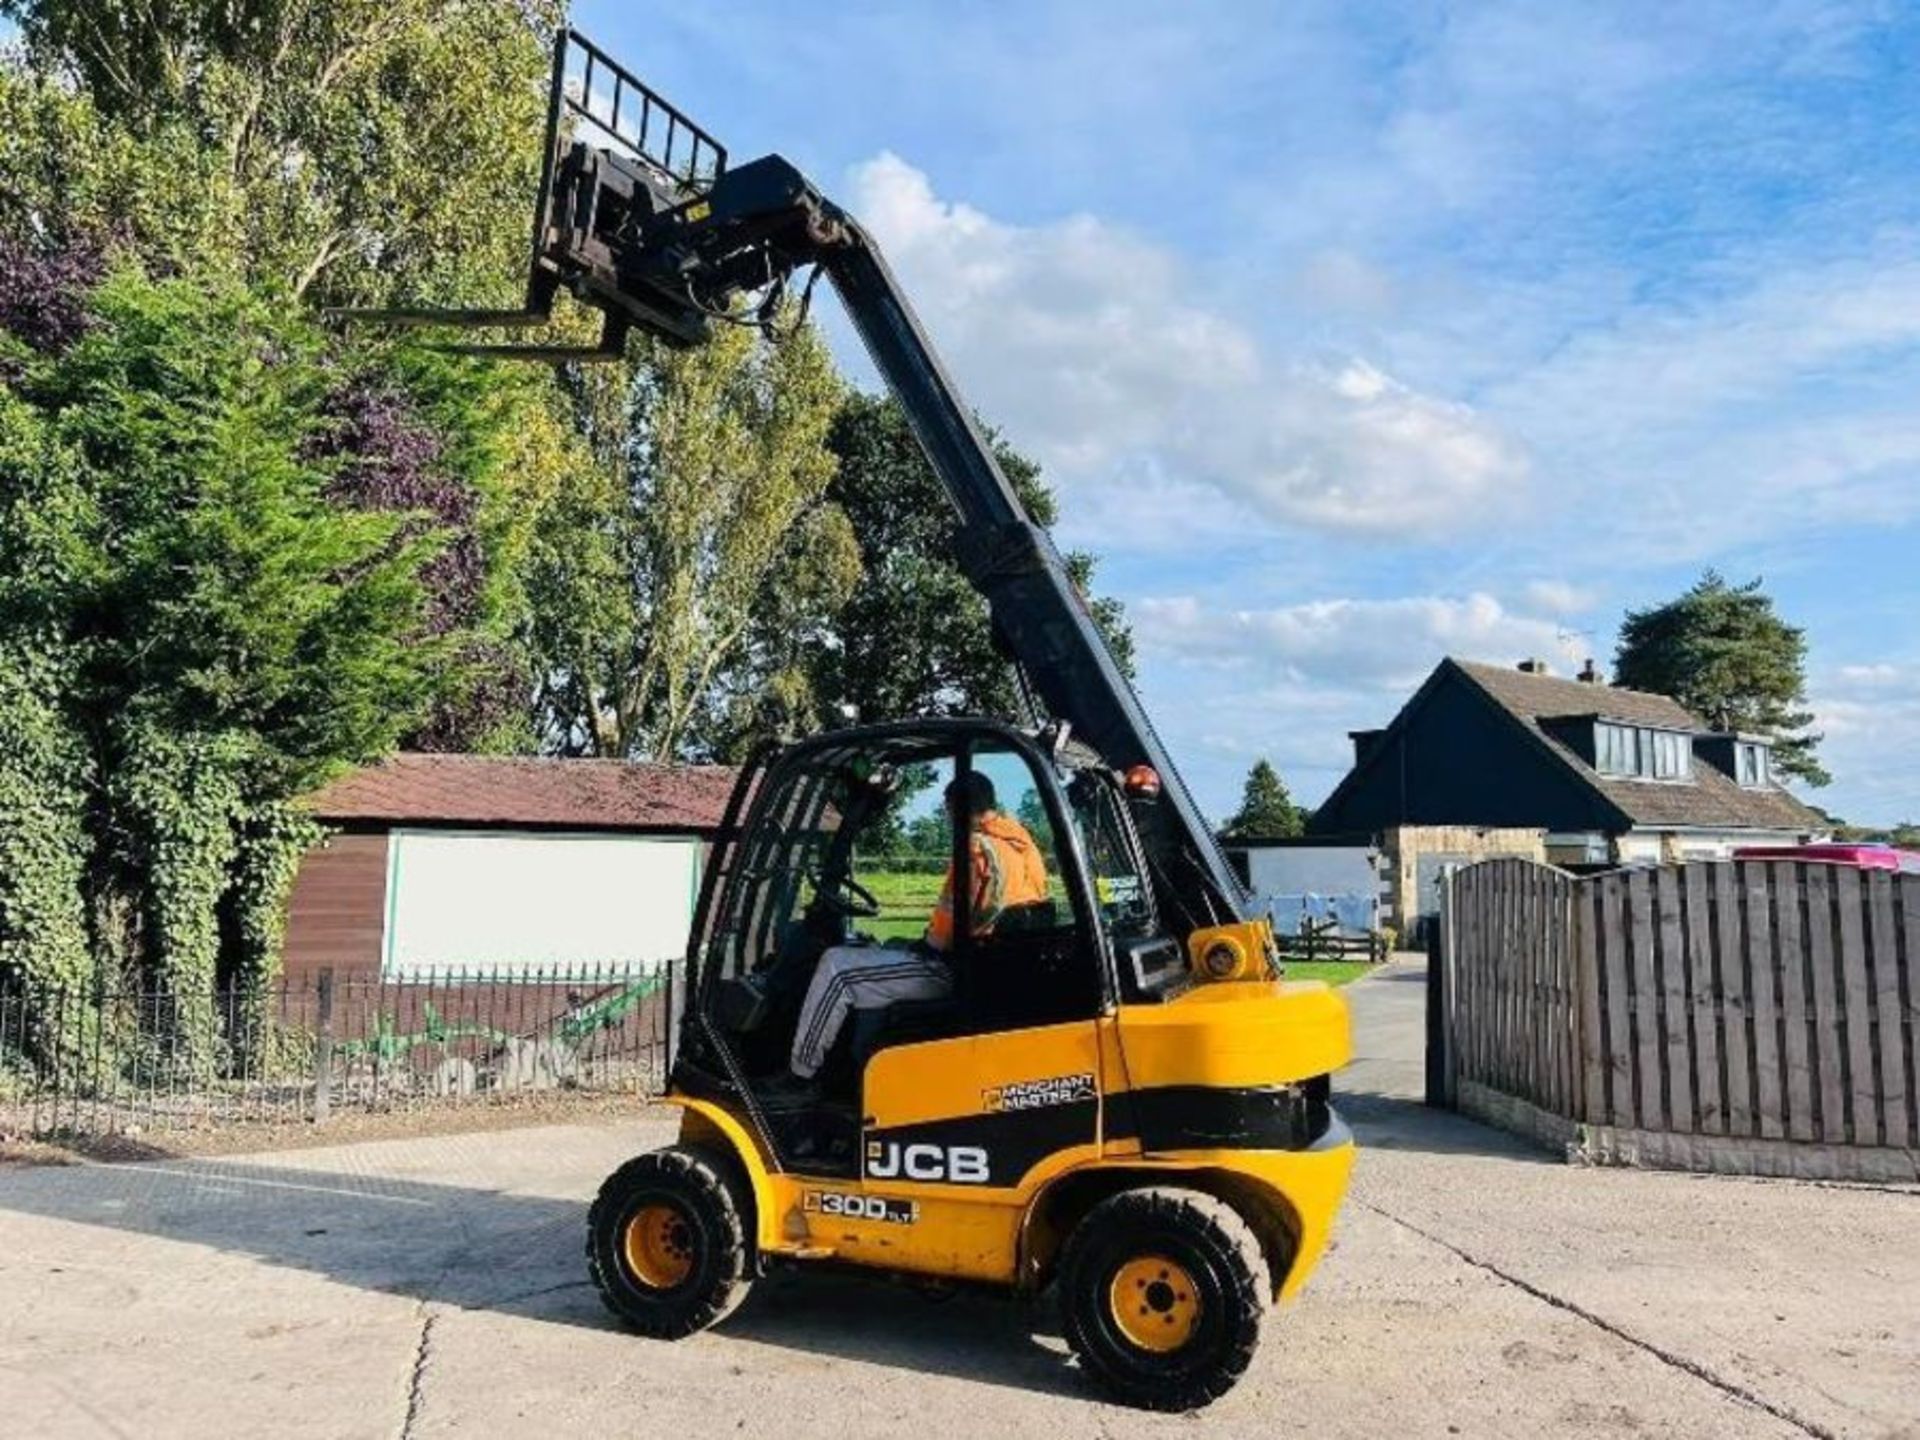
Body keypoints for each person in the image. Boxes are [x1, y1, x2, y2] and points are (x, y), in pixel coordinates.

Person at [784, 771, 1048, 1084]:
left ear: (957, 807)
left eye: (948, 811)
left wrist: (923, 943)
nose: (948, 819)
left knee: (836, 966)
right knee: (886, 946)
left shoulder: (975, 850)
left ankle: (800, 1075)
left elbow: (943, 931)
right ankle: (859, 1070)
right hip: (993, 967)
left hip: (955, 970)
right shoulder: (1023, 848)